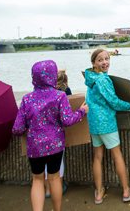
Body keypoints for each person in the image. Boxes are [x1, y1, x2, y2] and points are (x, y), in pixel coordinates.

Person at [12, 60, 88, 211]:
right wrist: (82, 112)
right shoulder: (60, 96)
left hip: (34, 147)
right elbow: (67, 120)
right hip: (55, 146)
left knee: (37, 180)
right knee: (54, 178)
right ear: (52, 76)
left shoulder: (27, 99)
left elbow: (17, 128)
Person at [85, 49, 130, 204]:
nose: (105, 62)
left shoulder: (90, 77)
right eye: (100, 60)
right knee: (117, 156)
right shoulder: (104, 80)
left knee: (97, 157)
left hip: (94, 123)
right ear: (94, 63)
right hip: (107, 124)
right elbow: (114, 102)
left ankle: (99, 193)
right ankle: (125, 190)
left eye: (107, 59)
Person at [43, 70, 73, 198]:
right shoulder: (64, 93)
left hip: (40, 136)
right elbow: (67, 114)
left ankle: (47, 190)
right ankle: (58, 188)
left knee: (44, 164)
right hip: (56, 134)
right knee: (58, 163)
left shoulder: (42, 93)